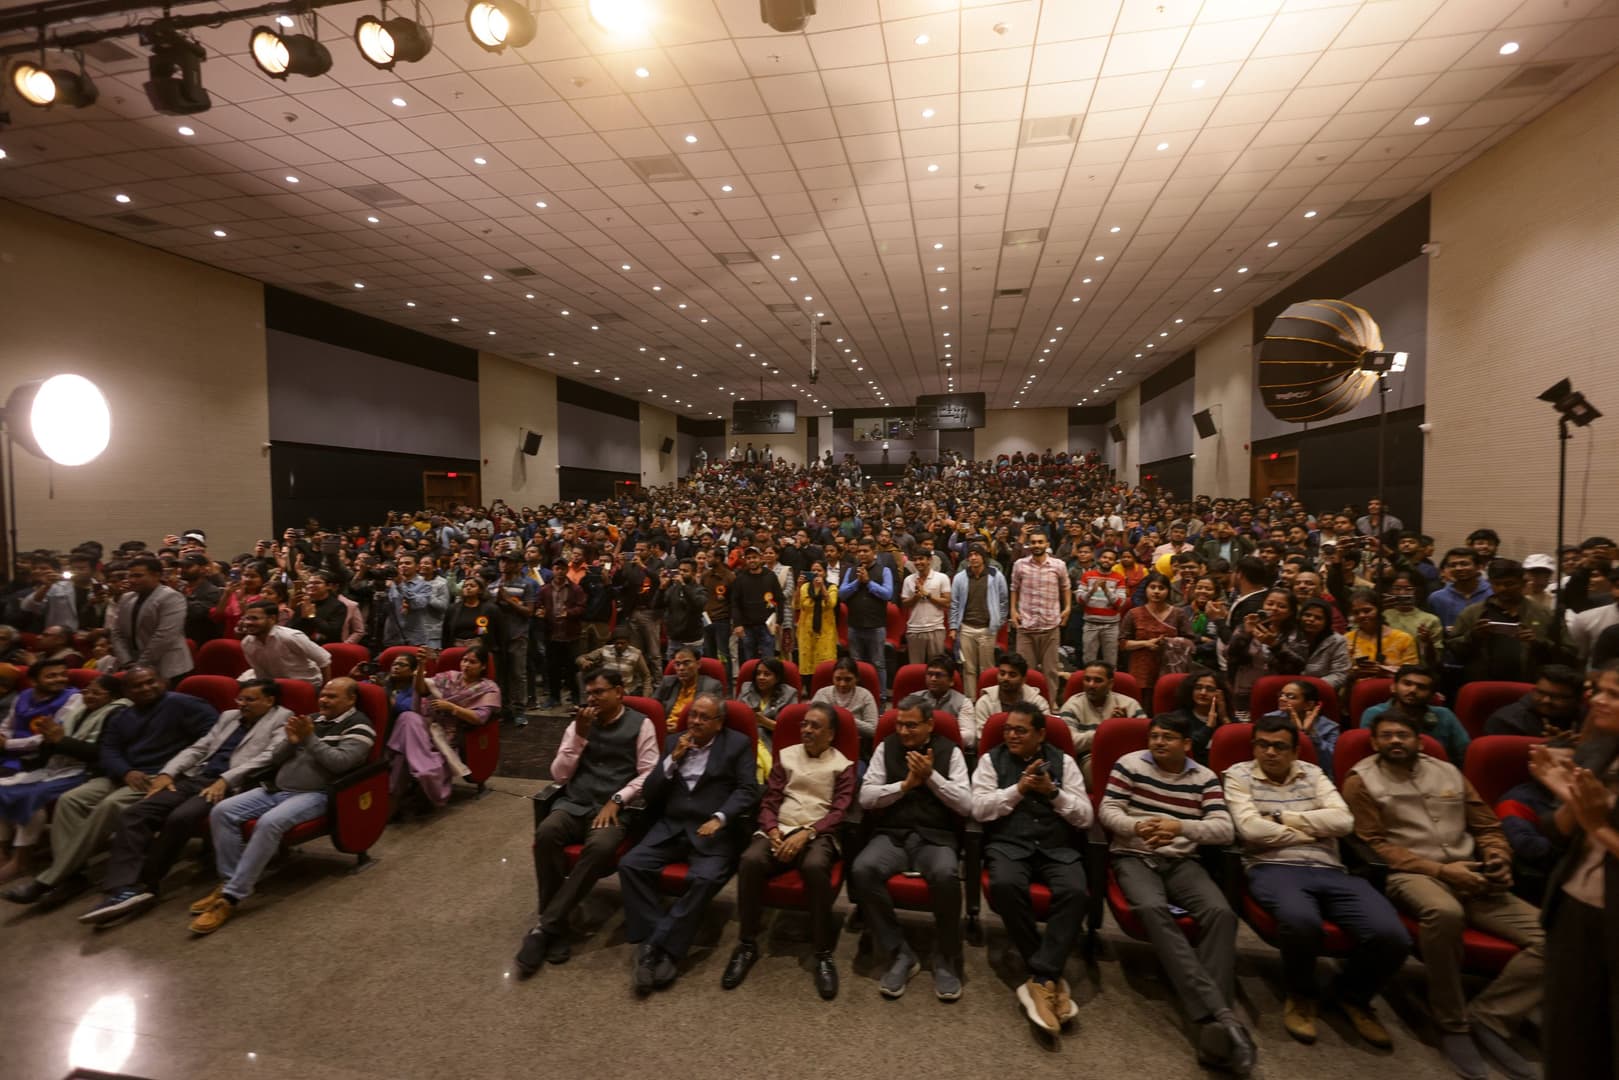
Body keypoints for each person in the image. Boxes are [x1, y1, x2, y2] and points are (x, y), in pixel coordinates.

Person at [1345, 711, 1545, 1080]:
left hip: (1472, 871)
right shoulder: (1362, 780)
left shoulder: (1450, 772)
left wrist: (1498, 857)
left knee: (1551, 938)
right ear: (1374, 742)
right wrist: (1440, 871)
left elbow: (1486, 826)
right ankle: (1452, 1023)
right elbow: (1373, 845)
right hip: (1411, 873)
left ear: (1419, 740)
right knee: (1445, 913)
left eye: (1403, 735)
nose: (1395, 741)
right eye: (1386, 736)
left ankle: (1491, 1016)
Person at [1222, 714, 1408, 1047]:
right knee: (1300, 921)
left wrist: (1281, 818)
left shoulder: (1314, 773)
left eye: (1279, 746)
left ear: (1295, 750)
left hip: (1331, 868)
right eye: (1262, 745)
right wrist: (1311, 830)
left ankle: (1352, 996)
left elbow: (1343, 821)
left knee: (1392, 935)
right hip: (1271, 867)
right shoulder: (1239, 775)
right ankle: (1301, 994)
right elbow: (1250, 830)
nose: (1270, 752)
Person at [1100, 712, 1251, 1075]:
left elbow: (1223, 830)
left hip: (1183, 862)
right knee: (1152, 908)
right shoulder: (1129, 764)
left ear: (1187, 744)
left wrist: (1178, 827)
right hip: (1135, 855)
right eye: (1154, 736)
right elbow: (1107, 811)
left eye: (1167, 737)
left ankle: (1212, 1021)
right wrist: (1139, 826)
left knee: (1221, 914)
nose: (1158, 742)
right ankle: (1220, 1017)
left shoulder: (1205, 778)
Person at [78, 678, 290, 924]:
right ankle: (120, 888)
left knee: (181, 817)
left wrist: (225, 780)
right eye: (240, 698)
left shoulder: (283, 719)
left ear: (269, 700)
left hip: (231, 785)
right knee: (136, 812)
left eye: (249, 700)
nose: (242, 704)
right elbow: (198, 748)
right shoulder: (229, 716)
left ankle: (146, 884)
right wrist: (169, 772)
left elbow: (266, 758)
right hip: (196, 777)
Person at [4, 664, 216, 906]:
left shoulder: (186, 704)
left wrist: (173, 771)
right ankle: (74, 876)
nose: (146, 688)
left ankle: (49, 879)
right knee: (71, 800)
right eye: (137, 685)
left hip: (164, 776)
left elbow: (213, 739)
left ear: (163, 682)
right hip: (125, 774)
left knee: (111, 804)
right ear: (126, 692)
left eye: (150, 682)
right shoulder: (122, 715)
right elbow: (109, 750)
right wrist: (125, 771)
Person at [190, 677, 376, 934]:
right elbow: (275, 759)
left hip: (318, 794)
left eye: (332, 696)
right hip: (277, 789)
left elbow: (340, 763)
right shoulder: (311, 719)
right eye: (323, 694)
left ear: (351, 699)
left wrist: (309, 739)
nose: (323, 700)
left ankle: (231, 898)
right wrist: (290, 741)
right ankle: (230, 879)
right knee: (222, 811)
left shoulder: (360, 726)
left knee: (269, 823)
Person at [515, 667, 656, 975]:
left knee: (601, 848)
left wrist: (618, 799)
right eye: (589, 693)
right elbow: (559, 775)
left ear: (619, 692)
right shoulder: (580, 724)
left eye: (599, 692)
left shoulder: (641, 725)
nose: (591, 699)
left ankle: (545, 927)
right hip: (575, 802)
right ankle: (556, 926)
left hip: (615, 807)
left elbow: (648, 774)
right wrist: (579, 736)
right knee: (547, 832)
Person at [619, 692, 757, 993]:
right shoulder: (673, 743)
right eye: (692, 714)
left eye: (703, 717)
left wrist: (721, 817)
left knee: (705, 878)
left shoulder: (737, 745)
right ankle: (665, 943)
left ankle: (656, 947)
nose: (693, 721)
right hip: (670, 827)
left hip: (711, 830)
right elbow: (651, 792)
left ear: (719, 723)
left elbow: (748, 790)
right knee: (630, 865)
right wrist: (672, 761)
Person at [972, 701, 1093, 1035]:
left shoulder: (1064, 761)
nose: (1011, 735)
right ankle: (1049, 975)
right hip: (1009, 844)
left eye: (1020, 730)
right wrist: (1018, 789)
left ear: (1040, 734)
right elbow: (979, 809)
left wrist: (1053, 794)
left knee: (1074, 891)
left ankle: (1040, 978)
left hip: (1057, 846)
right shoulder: (990, 760)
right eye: (1007, 729)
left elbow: (1085, 816)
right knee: (1005, 885)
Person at [724, 701, 854, 998]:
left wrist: (808, 832)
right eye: (804, 724)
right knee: (750, 860)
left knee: (813, 867)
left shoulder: (842, 764)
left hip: (819, 832)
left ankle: (822, 952)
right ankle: (746, 944)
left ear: (831, 734)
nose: (806, 730)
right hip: (779, 828)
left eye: (815, 726)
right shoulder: (786, 756)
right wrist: (770, 829)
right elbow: (769, 800)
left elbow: (839, 811)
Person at [851, 693, 973, 1001]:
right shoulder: (886, 747)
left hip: (936, 836)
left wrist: (930, 777)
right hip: (893, 833)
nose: (903, 732)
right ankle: (899, 952)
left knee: (946, 874)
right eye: (900, 725)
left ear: (930, 724)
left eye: (912, 726)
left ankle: (945, 956)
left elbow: (966, 804)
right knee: (863, 869)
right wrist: (904, 786)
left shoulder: (951, 751)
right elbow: (866, 797)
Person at [1530, 661, 1619, 1080]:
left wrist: (1598, 825)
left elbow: (1595, 826)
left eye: (1613, 695)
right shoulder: (1600, 747)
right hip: (1576, 905)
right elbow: (1560, 832)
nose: (1597, 700)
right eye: (1597, 690)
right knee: (1567, 1039)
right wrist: (1566, 796)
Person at [0, 670, 125, 886]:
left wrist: (59, 740)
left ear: (112, 696)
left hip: (88, 771)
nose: (89, 696)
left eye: (97, 693)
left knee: (33, 796)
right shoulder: (79, 711)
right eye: (88, 691)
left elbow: (102, 754)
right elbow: (54, 741)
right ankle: (3, 849)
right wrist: (49, 742)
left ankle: (22, 859)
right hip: (56, 766)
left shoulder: (117, 714)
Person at [388, 645, 499, 810]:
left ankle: (398, 795)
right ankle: (424, 769)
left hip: (450, 734)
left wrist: (452, 707)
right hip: (428, 724)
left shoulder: (489, 688)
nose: (466, 665)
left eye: (472, 662)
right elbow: (421, 689)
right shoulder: (450, 676)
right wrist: (421, 666)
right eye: (464, 660)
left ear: (483, 666)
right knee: (407, 717)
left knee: (402, 755)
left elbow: (479, 718)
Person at [1446, 559, 1554, 685]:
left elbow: (1568, 653)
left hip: (1530, 685)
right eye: (1496, 584)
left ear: (1523, 583)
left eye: (1510, 584)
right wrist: (1473, 636)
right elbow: (1453, 650)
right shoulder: (1472, 613)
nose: (1503, 589)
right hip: (1482, 685)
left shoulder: (1544, 614)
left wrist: (1538, 642)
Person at [1359, 664, 1471, 765]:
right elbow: (1370, 755)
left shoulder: (1444, 715)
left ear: (1432, 695)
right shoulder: (1374, 714)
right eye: (1407, 684)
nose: (1413, 690)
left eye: (1421, 687)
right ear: (1393, 687)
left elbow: (1465, 754)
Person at [108, 555, 193, 683]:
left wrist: (140, 665)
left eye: (138, 576)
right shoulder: (127, 598)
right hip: (131, 664)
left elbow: (164, 636)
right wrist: (127, 661)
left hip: (168, 666)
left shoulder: (172, 597)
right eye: (130, 576)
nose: (131, 580)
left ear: (157, 575)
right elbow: (117, 632)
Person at [1058, 660, 1145, 781]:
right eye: (1087, 679)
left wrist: (1125, 727)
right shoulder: (1072, 705)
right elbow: (1070, 742)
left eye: (1098, 680)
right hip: (1091, 759)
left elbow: (1145, 739)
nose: (1091, 685)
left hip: (1128, 756)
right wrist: (1107, 731)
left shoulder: (1129, 704)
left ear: (1110, 684)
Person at [1010, 530, 1071, 697]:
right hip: (1026, 626)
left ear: (1047, 545)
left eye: (1040, 542)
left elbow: (1066, 587)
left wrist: (1068, 608)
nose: (1036, 545)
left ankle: (1050, 707)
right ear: (1029, 545)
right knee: (1025, 672)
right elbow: (1014, 588)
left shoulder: (1058, 565)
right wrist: (1013, 610)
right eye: (1033, 542)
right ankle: (1026, 706)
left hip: (1050, 626)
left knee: (1050, 671)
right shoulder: (1020, 565)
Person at [1119, 571, 1193, 702]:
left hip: (1170, 670)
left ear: (1168, 591)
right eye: (1152, 587)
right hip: (1141, 670)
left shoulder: (1178, 614)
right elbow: (1122, 644)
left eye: (1161, 588)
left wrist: (1169, 642)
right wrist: (1146, 643)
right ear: (1146, 590)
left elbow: (1190, 643)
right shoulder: (1133, 613)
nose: (1156, 591)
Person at [839, 540, 894, 704]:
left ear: (874, 552)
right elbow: (842, 594)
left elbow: (888, 594)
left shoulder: (884, 571)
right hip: (854, 625)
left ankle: (881, 696)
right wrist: (858, 582)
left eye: (865, 551)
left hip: (876, 626)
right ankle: (858, 696)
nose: (862, 554)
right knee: (856, 664)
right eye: (859, 551)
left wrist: (869, 582)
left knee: (878, 663)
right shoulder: (851, 571)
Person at [1226, 588, 1299, 713]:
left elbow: (1297, 666)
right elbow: (1231, 655)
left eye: (1281, 606)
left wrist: (1274, 645)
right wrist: (1246, 634)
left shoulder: (1296, 633)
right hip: (1245, 690)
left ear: (1291, 612)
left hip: (1281, 692)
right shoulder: (1247, 625)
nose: (1274, 608)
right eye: (1270, 604)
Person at [950, 547, 1008, 697]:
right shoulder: (960, 577)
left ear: (983, 557)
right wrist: (953, 627)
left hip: (987, 629)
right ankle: (971, 700)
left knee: (987, 669)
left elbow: (1003, 601)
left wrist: (998, 621)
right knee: (968, 668)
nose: (973, 557)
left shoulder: (996, 575)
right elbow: (954, 604)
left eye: (976, 554)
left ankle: (987, 699)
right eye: (970, 555)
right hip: (967, 627)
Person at [965, 652, 1052, 753]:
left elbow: (1041, 738)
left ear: (1023, 679)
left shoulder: (1038, 702)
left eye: (1012, 674)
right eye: (1002, 673)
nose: (1005, 678)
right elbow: (982, 742)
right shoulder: (984, 702)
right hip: (995, 758)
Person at [238, 600, 330, 687]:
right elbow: (260, 674)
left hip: (306, 685)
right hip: (275, 687)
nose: (248, 623)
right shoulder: (247, 643)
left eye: (254, 619)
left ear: (272, 619)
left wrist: (323, 690)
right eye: (247, 618)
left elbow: (324, 661)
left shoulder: (290, 637)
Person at [492, 551, 539, 714]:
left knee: (518, 673)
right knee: (499, 673)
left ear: (516, 565)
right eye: (502, 561)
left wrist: (507, 600)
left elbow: (529, 611)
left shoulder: (527, 584)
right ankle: (503, 706)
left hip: (517, 634)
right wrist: (496, 601)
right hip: (498, 637)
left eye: (508, 562)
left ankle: (519, 707)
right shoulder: (492, 586)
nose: (504, 564)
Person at [536, 565, 586, 714]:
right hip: (552, 634)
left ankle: (576, 697)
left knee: (572, 668)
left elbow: (582, 607)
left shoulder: (575, 589)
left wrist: (569, 613)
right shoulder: (545, 589)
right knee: (552, 668)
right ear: (553, 570)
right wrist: (540, 612)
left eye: (563, 568)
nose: (560, 571)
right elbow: (539, 605)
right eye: (557, 568)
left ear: (566, 571)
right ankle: (554, 697)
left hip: (570, 634)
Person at [1484, 665, 1584, 737]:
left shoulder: (1587, 718)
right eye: (1541, 693)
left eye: (1557, 697)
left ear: (1577, 699)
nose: (1546, 700)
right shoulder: (1505, 721)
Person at [731, 546, 787, 665]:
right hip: (747, 627)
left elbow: (779, 599)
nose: (752, 560)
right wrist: (737, 624)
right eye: (749, 558)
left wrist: (779, 621)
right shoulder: (740, 578)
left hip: (767, 626)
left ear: (761, 558)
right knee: (749, 662)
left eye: (754, 557)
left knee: (769, 662)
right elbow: (735, 603)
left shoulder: (770, 576)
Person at [653, 646, 724, 733]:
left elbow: (710, 720)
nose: (681, 668)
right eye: (677, 664)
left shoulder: (712, 686)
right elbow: (653, 708)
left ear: (698, 664)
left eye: (686, 663)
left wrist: (679, 728)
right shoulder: (668, 682)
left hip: (693, 733)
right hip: (663, 731)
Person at [1077, 549, 1129, 667]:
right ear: (1099, 559)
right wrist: (1092, 590)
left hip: (1111, 625)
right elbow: (1080, 600)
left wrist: (1106, 590)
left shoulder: (1119, 578)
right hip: (1090, 624)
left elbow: (1120, 603)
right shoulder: (1087, 576)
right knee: (1088, 660)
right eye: (1105, 557)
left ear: (1115, 562)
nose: (1107, 560)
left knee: (1111, 661)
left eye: (1111, 559)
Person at [811, 656, 879, 741]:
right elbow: (811, 723)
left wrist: (844, 718)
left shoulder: (865, 695)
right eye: (838, 679)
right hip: (824, 743)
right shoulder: (822, 694)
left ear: (856, 678)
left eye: (848, 679)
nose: (842, 684)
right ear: (832, 677)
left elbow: (873, 730)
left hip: (856, 745)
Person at [737, 656, 798, 751]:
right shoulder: (746, 689)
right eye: (758, 674)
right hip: (746, 741)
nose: (761, 677)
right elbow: (736, 719)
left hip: (772, 742)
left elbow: (791, 729)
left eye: (767, 674)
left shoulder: (789, 693)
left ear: (777, 678)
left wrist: (764, 721)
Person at [901, 553, 952, 664]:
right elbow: (904, 604)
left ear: (929, 560)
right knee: (915, 669)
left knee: (936, 667)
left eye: (921, 558)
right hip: (914, 630)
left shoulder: (942, 578)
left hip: (935, 628)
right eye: (915, 559)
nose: (918, 562)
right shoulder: (908, 580)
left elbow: (947, 603)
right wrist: (916, 597)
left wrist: (927, 595)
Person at [575, 627, 654, 697]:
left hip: (624, 691)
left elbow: (646, 676)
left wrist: (646, 697)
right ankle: (585, 702)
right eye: (617, 643)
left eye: (622, 643)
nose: (619, 646)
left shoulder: (636, 654)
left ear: (628, 643)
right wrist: (584, 661)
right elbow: (579, 658)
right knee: (580, 674)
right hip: (605, 688)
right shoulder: (605, 650)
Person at [390, 552, 447, 648]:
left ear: (417, 567)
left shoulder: (425, 585)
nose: (403, 566)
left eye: (407, 563)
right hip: (393, 635)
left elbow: (418, 604)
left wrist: (401, 585)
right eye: (400, 564)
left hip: (415, 637)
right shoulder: (391, 585)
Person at [656, 558, 707, 662]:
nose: (682, 573)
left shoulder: (700, 590)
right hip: (674, 640)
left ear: (693, 573)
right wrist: (661, 588)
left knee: (693, 671)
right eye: (680, 570)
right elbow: (657, 605)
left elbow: (698, 605)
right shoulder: (673, 589)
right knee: (673, 671)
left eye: (685, 571)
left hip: (692, 641)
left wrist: (684, 586)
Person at [441, 573, 504, 653]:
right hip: (456, 649)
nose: (468, 588)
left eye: (472, 586)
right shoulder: (452, 609)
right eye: (465, 586)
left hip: (479, 650)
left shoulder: (490, 609)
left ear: (480, 590)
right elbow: (445, 633)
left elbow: (498, 634)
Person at [794, 559, 838, 672]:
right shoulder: (804, 587)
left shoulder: (832, 587)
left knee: (825, 666)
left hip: (825, 632)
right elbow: (796, 605)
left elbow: (831, 604)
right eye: (813, 570)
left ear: (825, 572)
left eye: (819, 570)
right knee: (807, 665)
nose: (816, 573)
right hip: (806, 631)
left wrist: (822, 586)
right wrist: (798, 587)